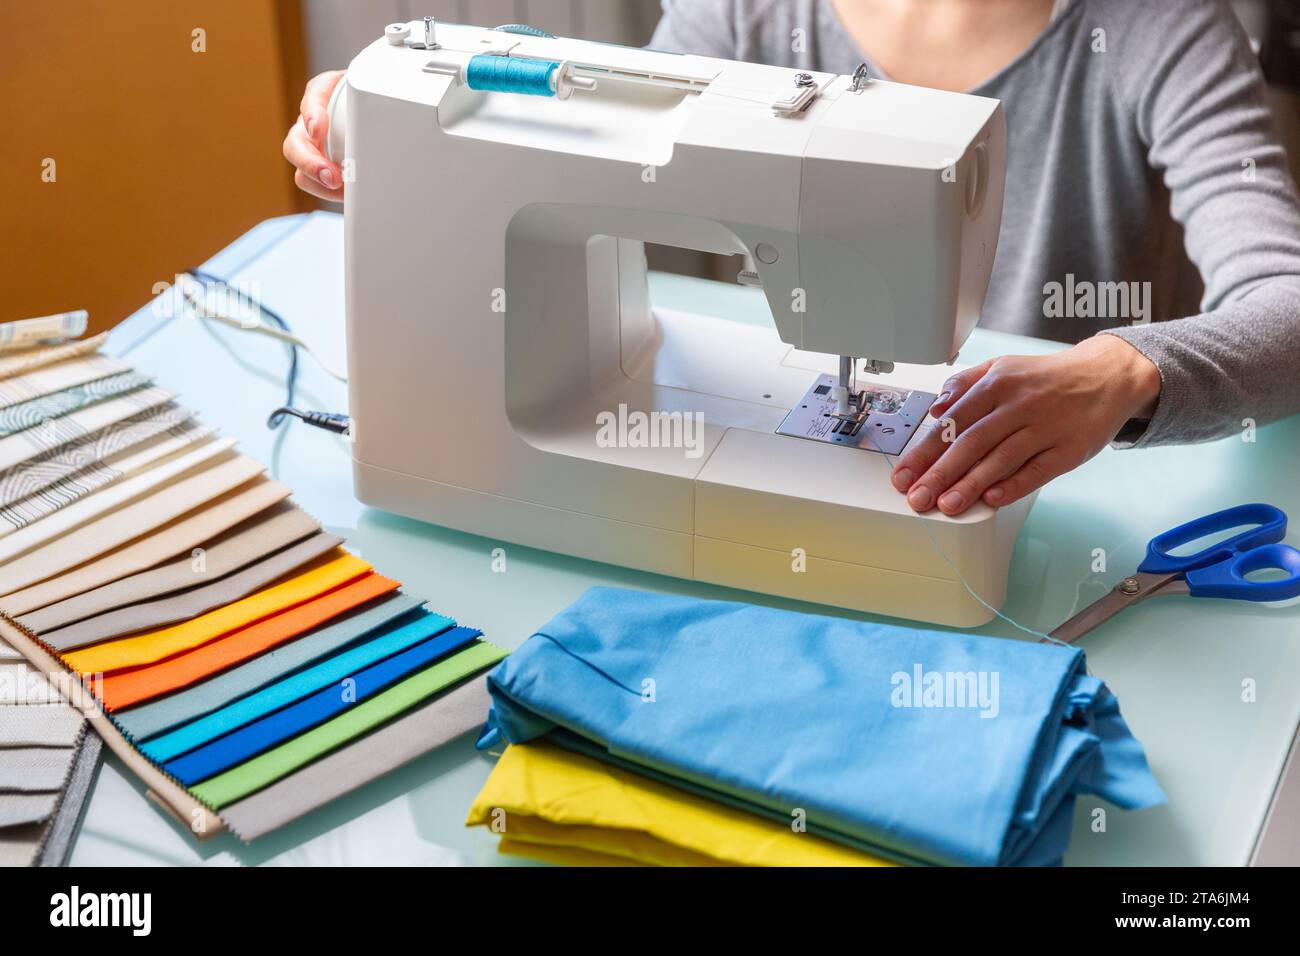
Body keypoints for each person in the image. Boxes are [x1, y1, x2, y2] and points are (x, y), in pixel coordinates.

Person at [284, 0, 1300, 517]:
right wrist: (394, 108)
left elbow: (1287, 301)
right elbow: (610, 104)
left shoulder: (1161, 30)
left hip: (1060, 501)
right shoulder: (748, 9)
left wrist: (1124, 370)